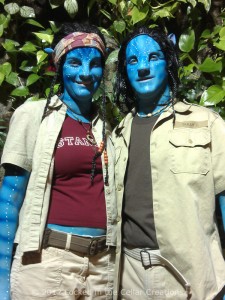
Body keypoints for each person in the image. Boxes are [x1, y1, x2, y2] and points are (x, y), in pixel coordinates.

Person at [0, 22, 117, 300]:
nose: (86, 73)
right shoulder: (33, 115)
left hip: (102, 266)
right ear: (59, 66)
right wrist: (2, 281)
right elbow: (8, 201)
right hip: (46, 262)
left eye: (95, 64)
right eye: (75, 62)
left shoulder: (107, 128)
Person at [112, 26, 225, 300]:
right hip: (129, 275)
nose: (143, 68)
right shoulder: (116, 136)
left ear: (169, 63)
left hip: (192, 277)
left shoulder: (208, 123)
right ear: (125, 71)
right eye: (133, 61)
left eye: (153, 57)